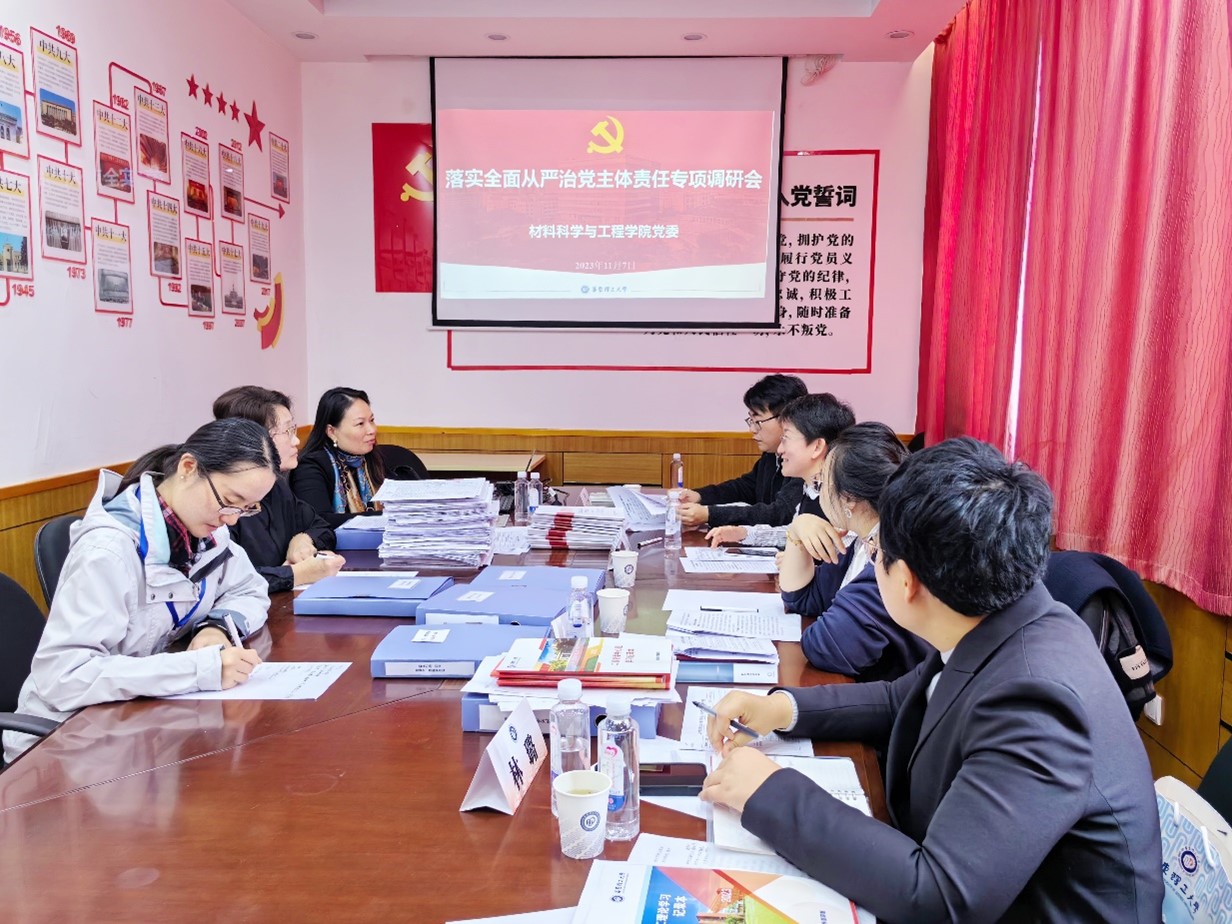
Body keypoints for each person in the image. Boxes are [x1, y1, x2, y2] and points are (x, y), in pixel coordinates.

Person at [699, 438, 1163, 923]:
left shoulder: (1037, 700)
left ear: (907, 581)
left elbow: (941, 897)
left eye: (874, 550)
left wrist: (770, 792)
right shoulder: (1004, 617)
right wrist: (781, 709)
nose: (871, 559)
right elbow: (901, 699)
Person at [2, 418, 276, 763]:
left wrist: (217, 626)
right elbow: (64, 676)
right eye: (230, 500)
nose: (232, 519)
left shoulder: (207, 535)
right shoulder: (108, 551)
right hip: (66, 743)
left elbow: (250, 589)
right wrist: (197, 669)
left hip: (139, 720)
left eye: (246, 508)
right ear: (188, 468)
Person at [780, 422, 932, 680]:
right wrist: (796, 531)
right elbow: (802, 600)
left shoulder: (888, 554)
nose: (820, 490)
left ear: (849, 498)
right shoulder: (861, 542)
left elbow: (826, 646)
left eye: (823, 482)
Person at [213, 386, 345, 591]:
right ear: (255, 440)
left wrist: (303, 539)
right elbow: (226, 580)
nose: (297, 440)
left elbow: (321, 526)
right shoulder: (222, 502)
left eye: (294, 429)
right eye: (287, 432)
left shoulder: (277, 487)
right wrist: (298, 574)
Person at [705, 393, 854, 549]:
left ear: (817, 447)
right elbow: (795, 533)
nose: (780, 449)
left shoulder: (844, 500)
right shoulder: (812, 489)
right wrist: (744, 534)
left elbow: (840, 552)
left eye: (785, 439)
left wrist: (798, 558)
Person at [677, 374, 808, 528]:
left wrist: (710, 514)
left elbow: (780, 513)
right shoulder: (771, 454)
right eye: (751, 420)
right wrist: (700, 496)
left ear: (787, 418)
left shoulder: (806, 461)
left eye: (758, 421)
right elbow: (746, 487)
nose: (752, 429)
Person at [289, 387, 388, 528]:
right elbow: (319, 520)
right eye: (360, 424)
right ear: (332, 432)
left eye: (371, 420)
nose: (372, 430)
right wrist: (386, 517)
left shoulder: (370, 457)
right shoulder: (310, 467)